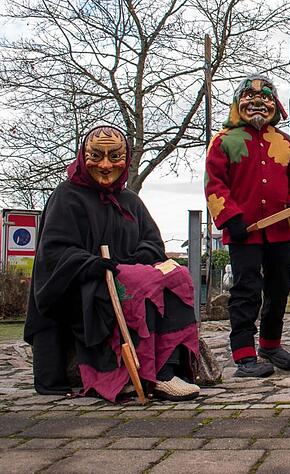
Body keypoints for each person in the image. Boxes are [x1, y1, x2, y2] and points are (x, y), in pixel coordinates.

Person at [25, 125, 200, 402]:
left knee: (177, 276)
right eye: (96, 156)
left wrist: (140, 258)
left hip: (130, 278)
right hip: (85, 289)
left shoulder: (130, 200)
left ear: (125, 159)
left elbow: (152, 242)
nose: (106, 165)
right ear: (83, 157)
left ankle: (169, 368)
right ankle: (141, 374)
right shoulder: (66, 196)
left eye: (114, 156)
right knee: (141, 283)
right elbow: (55, 252)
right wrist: (90, 264)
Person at [205, 75, 290, 377]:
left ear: (273, 104)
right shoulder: (223, 141)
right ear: (238, 103)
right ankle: (243, 355)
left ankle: (270, 344)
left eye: (265, 98)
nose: (258, 104)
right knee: (246, 292)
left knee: (279, 289)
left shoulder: (285, 143)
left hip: (280, 231)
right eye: (250, 99)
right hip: (243, 233)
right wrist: (230, 217)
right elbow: (214, 184)